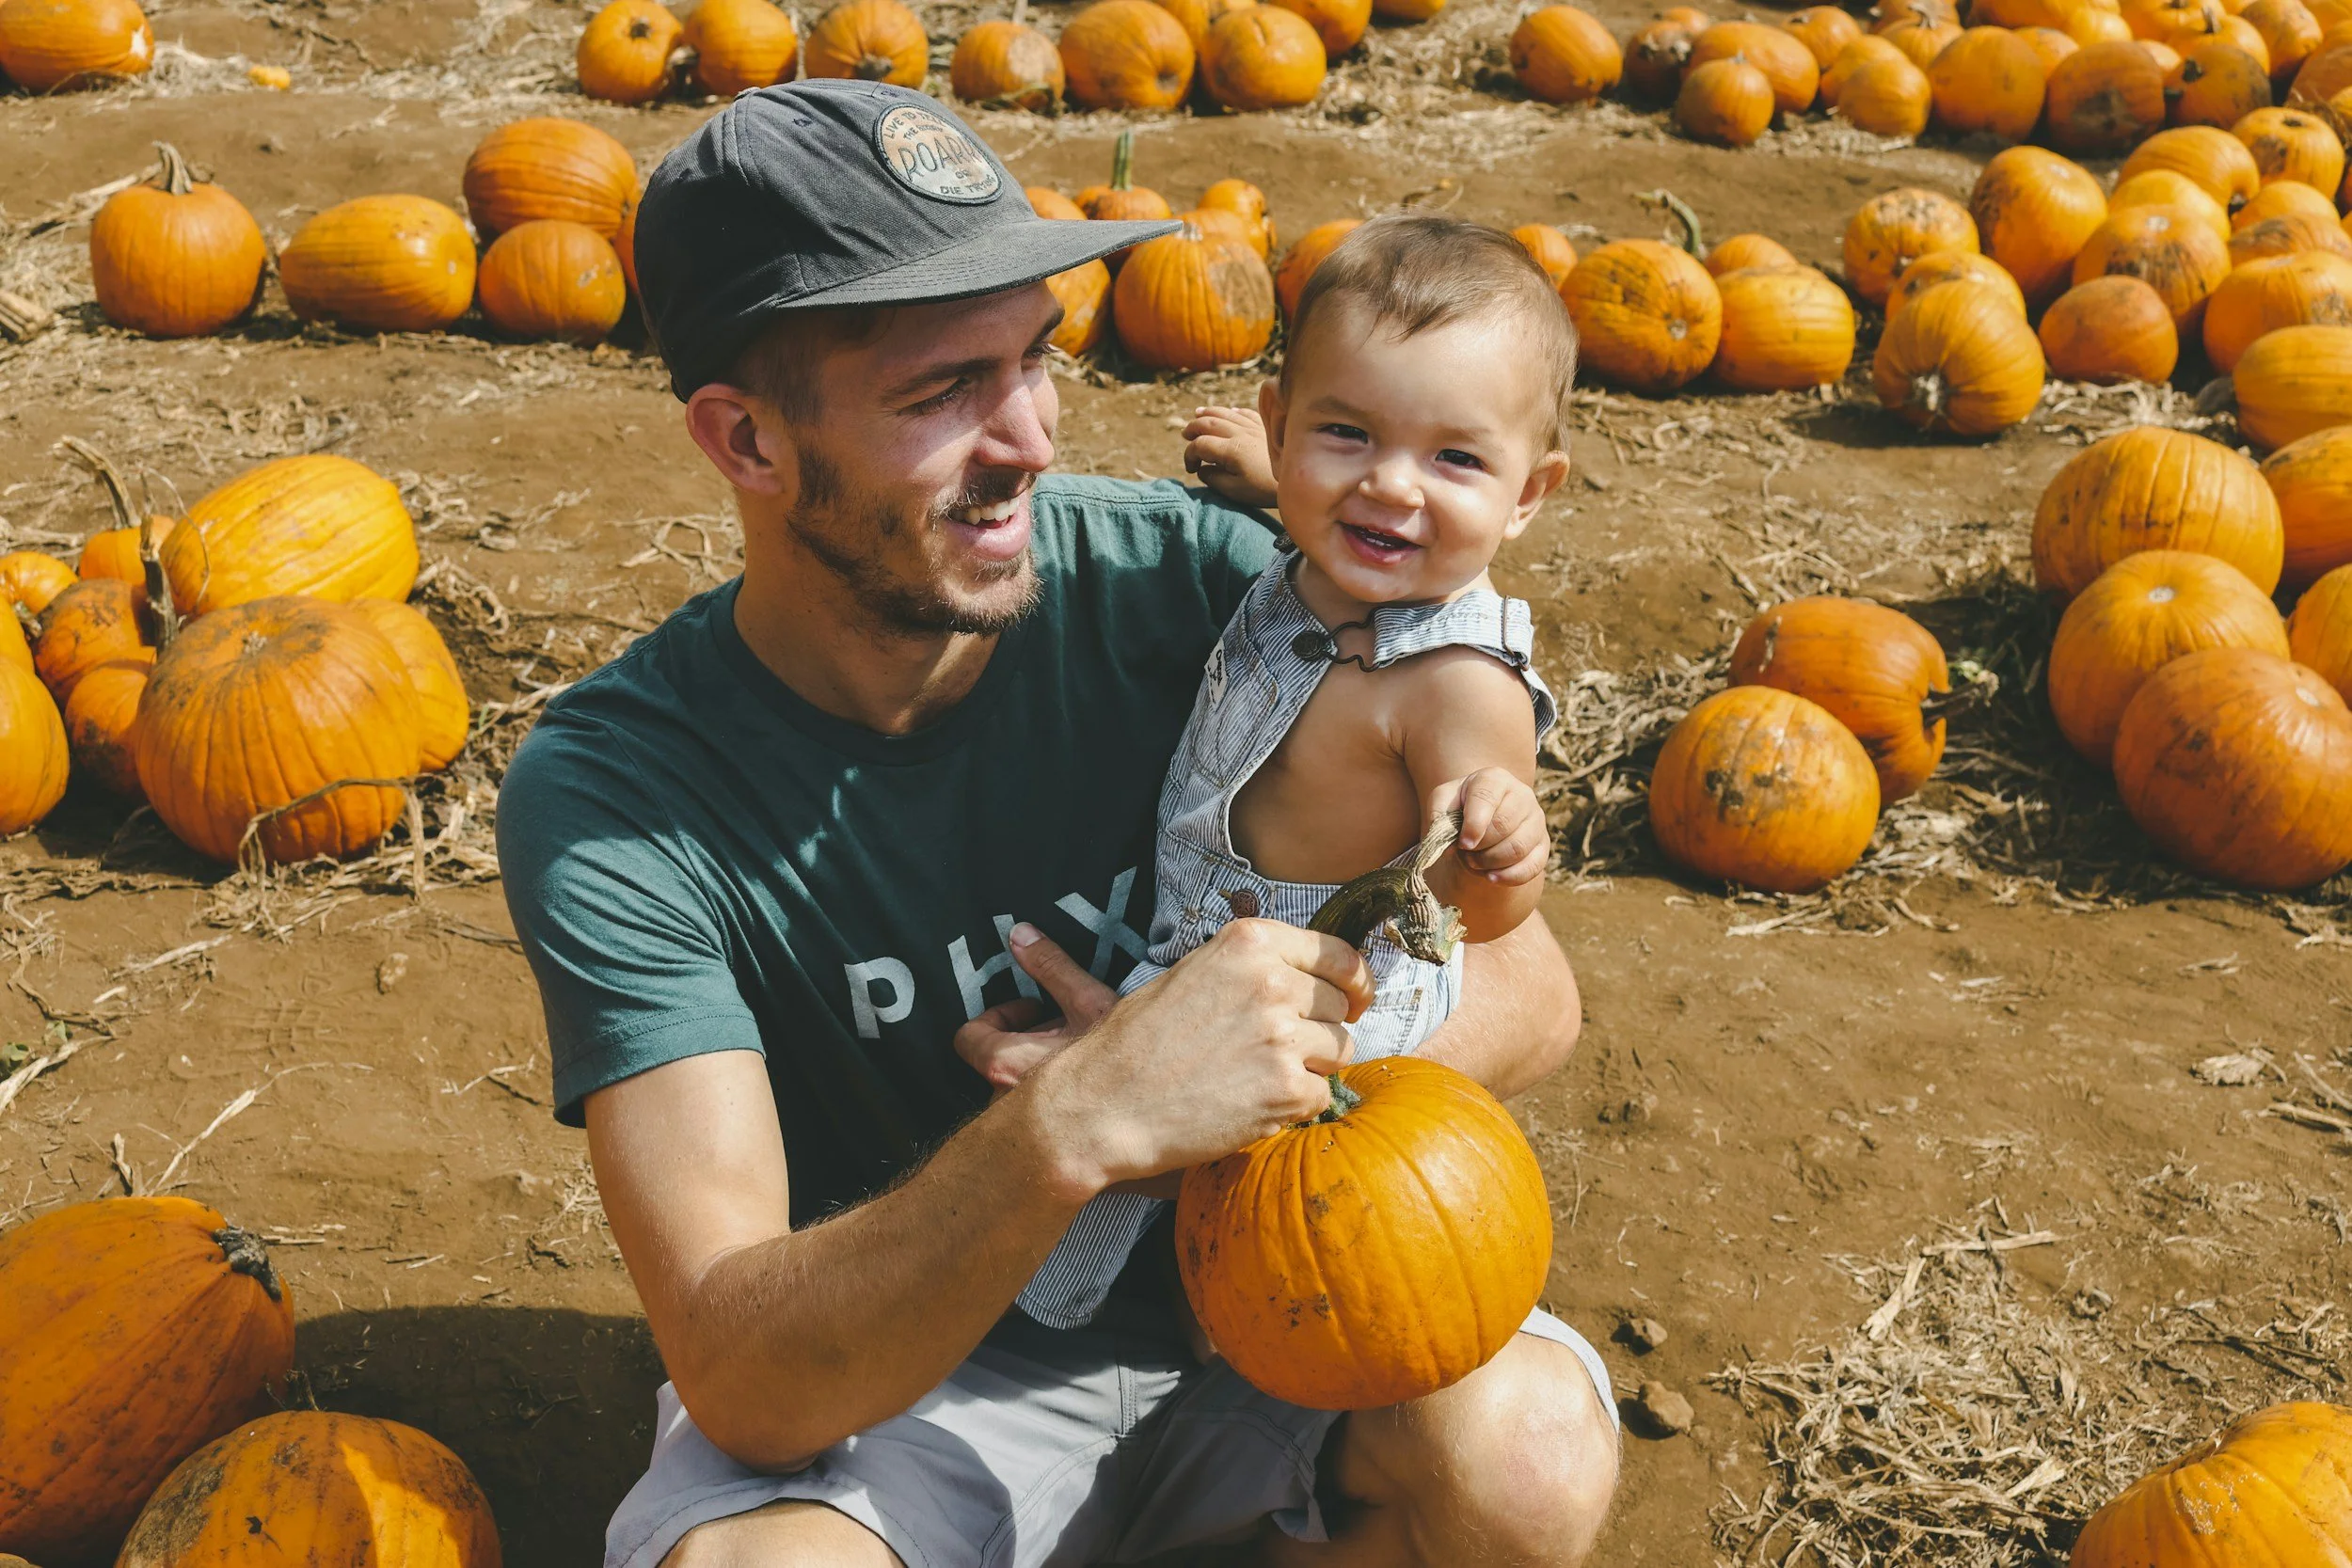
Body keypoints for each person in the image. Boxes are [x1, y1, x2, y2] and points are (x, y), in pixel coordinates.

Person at [497, 78, 1619, 1568]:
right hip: (922, 1382)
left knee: (1522, 1455)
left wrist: (1229, 1116)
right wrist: (1082, 1123)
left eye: (1034, 357)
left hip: (1285, 1302)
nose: (1029, 436)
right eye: (940, 391)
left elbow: (1532, 991)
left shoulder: (1214, 593)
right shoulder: (621, 798)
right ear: (748, 444)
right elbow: (745, 1370)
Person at [1015, 213, 1581, 1335]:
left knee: (1265, 1212)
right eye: (1344, 433)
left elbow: (1483, 914)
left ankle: (1219, 1320)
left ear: (1527, 494)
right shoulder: (1339, 557)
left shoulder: (1459, 680)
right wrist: (1275, 481)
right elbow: (1349, 527)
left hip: (1342, 986)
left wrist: (1505, 835)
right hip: (1222, 941)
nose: (1392, 488)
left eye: (1456, 458)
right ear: (1283, 426)